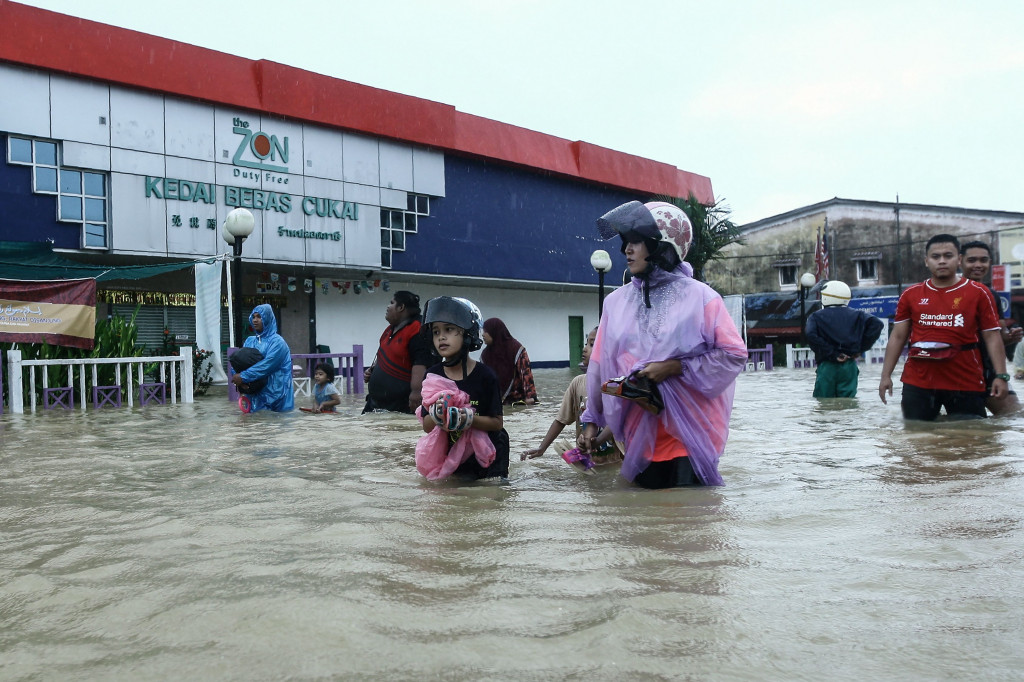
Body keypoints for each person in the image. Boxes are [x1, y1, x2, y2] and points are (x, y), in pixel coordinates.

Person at [580, 200, 747, 489]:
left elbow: (733, 355)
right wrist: (591, 420)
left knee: (686, 523)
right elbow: (599, 365)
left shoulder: (702, 298)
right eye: (626, 242)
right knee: (646, 526)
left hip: (688, 432)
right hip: (638, 434)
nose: (626, 250)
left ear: (662, 247)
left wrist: (674, 367)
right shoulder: (615, 303)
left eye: (637, 242)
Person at [878, 234, 1009, 420]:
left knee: (971, 438)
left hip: (965, 380)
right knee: (916, 436)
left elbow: (992, 337)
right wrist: (885, 376)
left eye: (948, 256)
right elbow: (898, 337)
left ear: (959, 260)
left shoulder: (980, 293)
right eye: (935, 256)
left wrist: (1001, 376)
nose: (942, 261)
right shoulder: (910, 294)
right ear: (926, 261)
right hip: (918, 381)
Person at [415, 296, 510, 481]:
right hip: (452, 457)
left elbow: (497, 423)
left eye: (449, 329)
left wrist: (469, 419)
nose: (441, 337)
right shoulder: (432, 377)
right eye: (435, 332)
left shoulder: (486, 376)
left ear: (468, 334)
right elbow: (427, 426)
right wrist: (435, 415)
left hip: (489, 457)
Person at [521, 327, 620, 464]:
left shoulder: (616, 386)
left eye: (592, 344)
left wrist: (597, 442)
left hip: (615, 463)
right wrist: (542, 448)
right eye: (586, 343)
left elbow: (618, 422)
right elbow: (561, 420)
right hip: (587, 462)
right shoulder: (578, 383)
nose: (585, 349)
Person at [960, 240, 1023, 414]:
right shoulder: (950, 292)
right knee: (963, 426)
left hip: (989, 369)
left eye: (983, 260)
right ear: (960, 261)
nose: (978, 265)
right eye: (972, 260)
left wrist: (1009, 337)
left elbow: (998, 336)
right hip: (959, 371)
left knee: (1014, 415)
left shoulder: (992, 295)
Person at [804, 280, 884, 398]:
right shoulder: (858, 315)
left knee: (824, 404)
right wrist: (860, 348)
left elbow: (810, 335)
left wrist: (833, 353)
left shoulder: (815, 317)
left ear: (825, 297)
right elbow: (877, 325)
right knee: (849, 404)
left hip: (827, 366)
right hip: (849, 366)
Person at [363, 291, 433, 414]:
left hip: (401, 405)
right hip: (375, 404)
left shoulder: (418, 329)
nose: (388, 307)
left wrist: (416, 392)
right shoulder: (388, 331)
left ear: (401, 307)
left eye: (391, 303)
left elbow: (421, 362)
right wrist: (372, 371)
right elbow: (385, 355)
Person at [229, 303, 295, 412]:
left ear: (267, 318)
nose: (255, 320)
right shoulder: (250, 341)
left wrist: (243, 377)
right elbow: (241, 362)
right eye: (253, 317)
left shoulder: (278, 342)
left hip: (278, 394)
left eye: (259, 317)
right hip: (255, 393)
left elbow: (267, 365)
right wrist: (236, 376)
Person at [481, 317, 538, 405]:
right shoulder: (485, 355)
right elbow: (484, 380)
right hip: (495, 402)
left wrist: (530, 397)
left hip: (517, 402)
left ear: (494, 332)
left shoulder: (516, 349)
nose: (482, 335)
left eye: (485, 331)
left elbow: (526, 374)